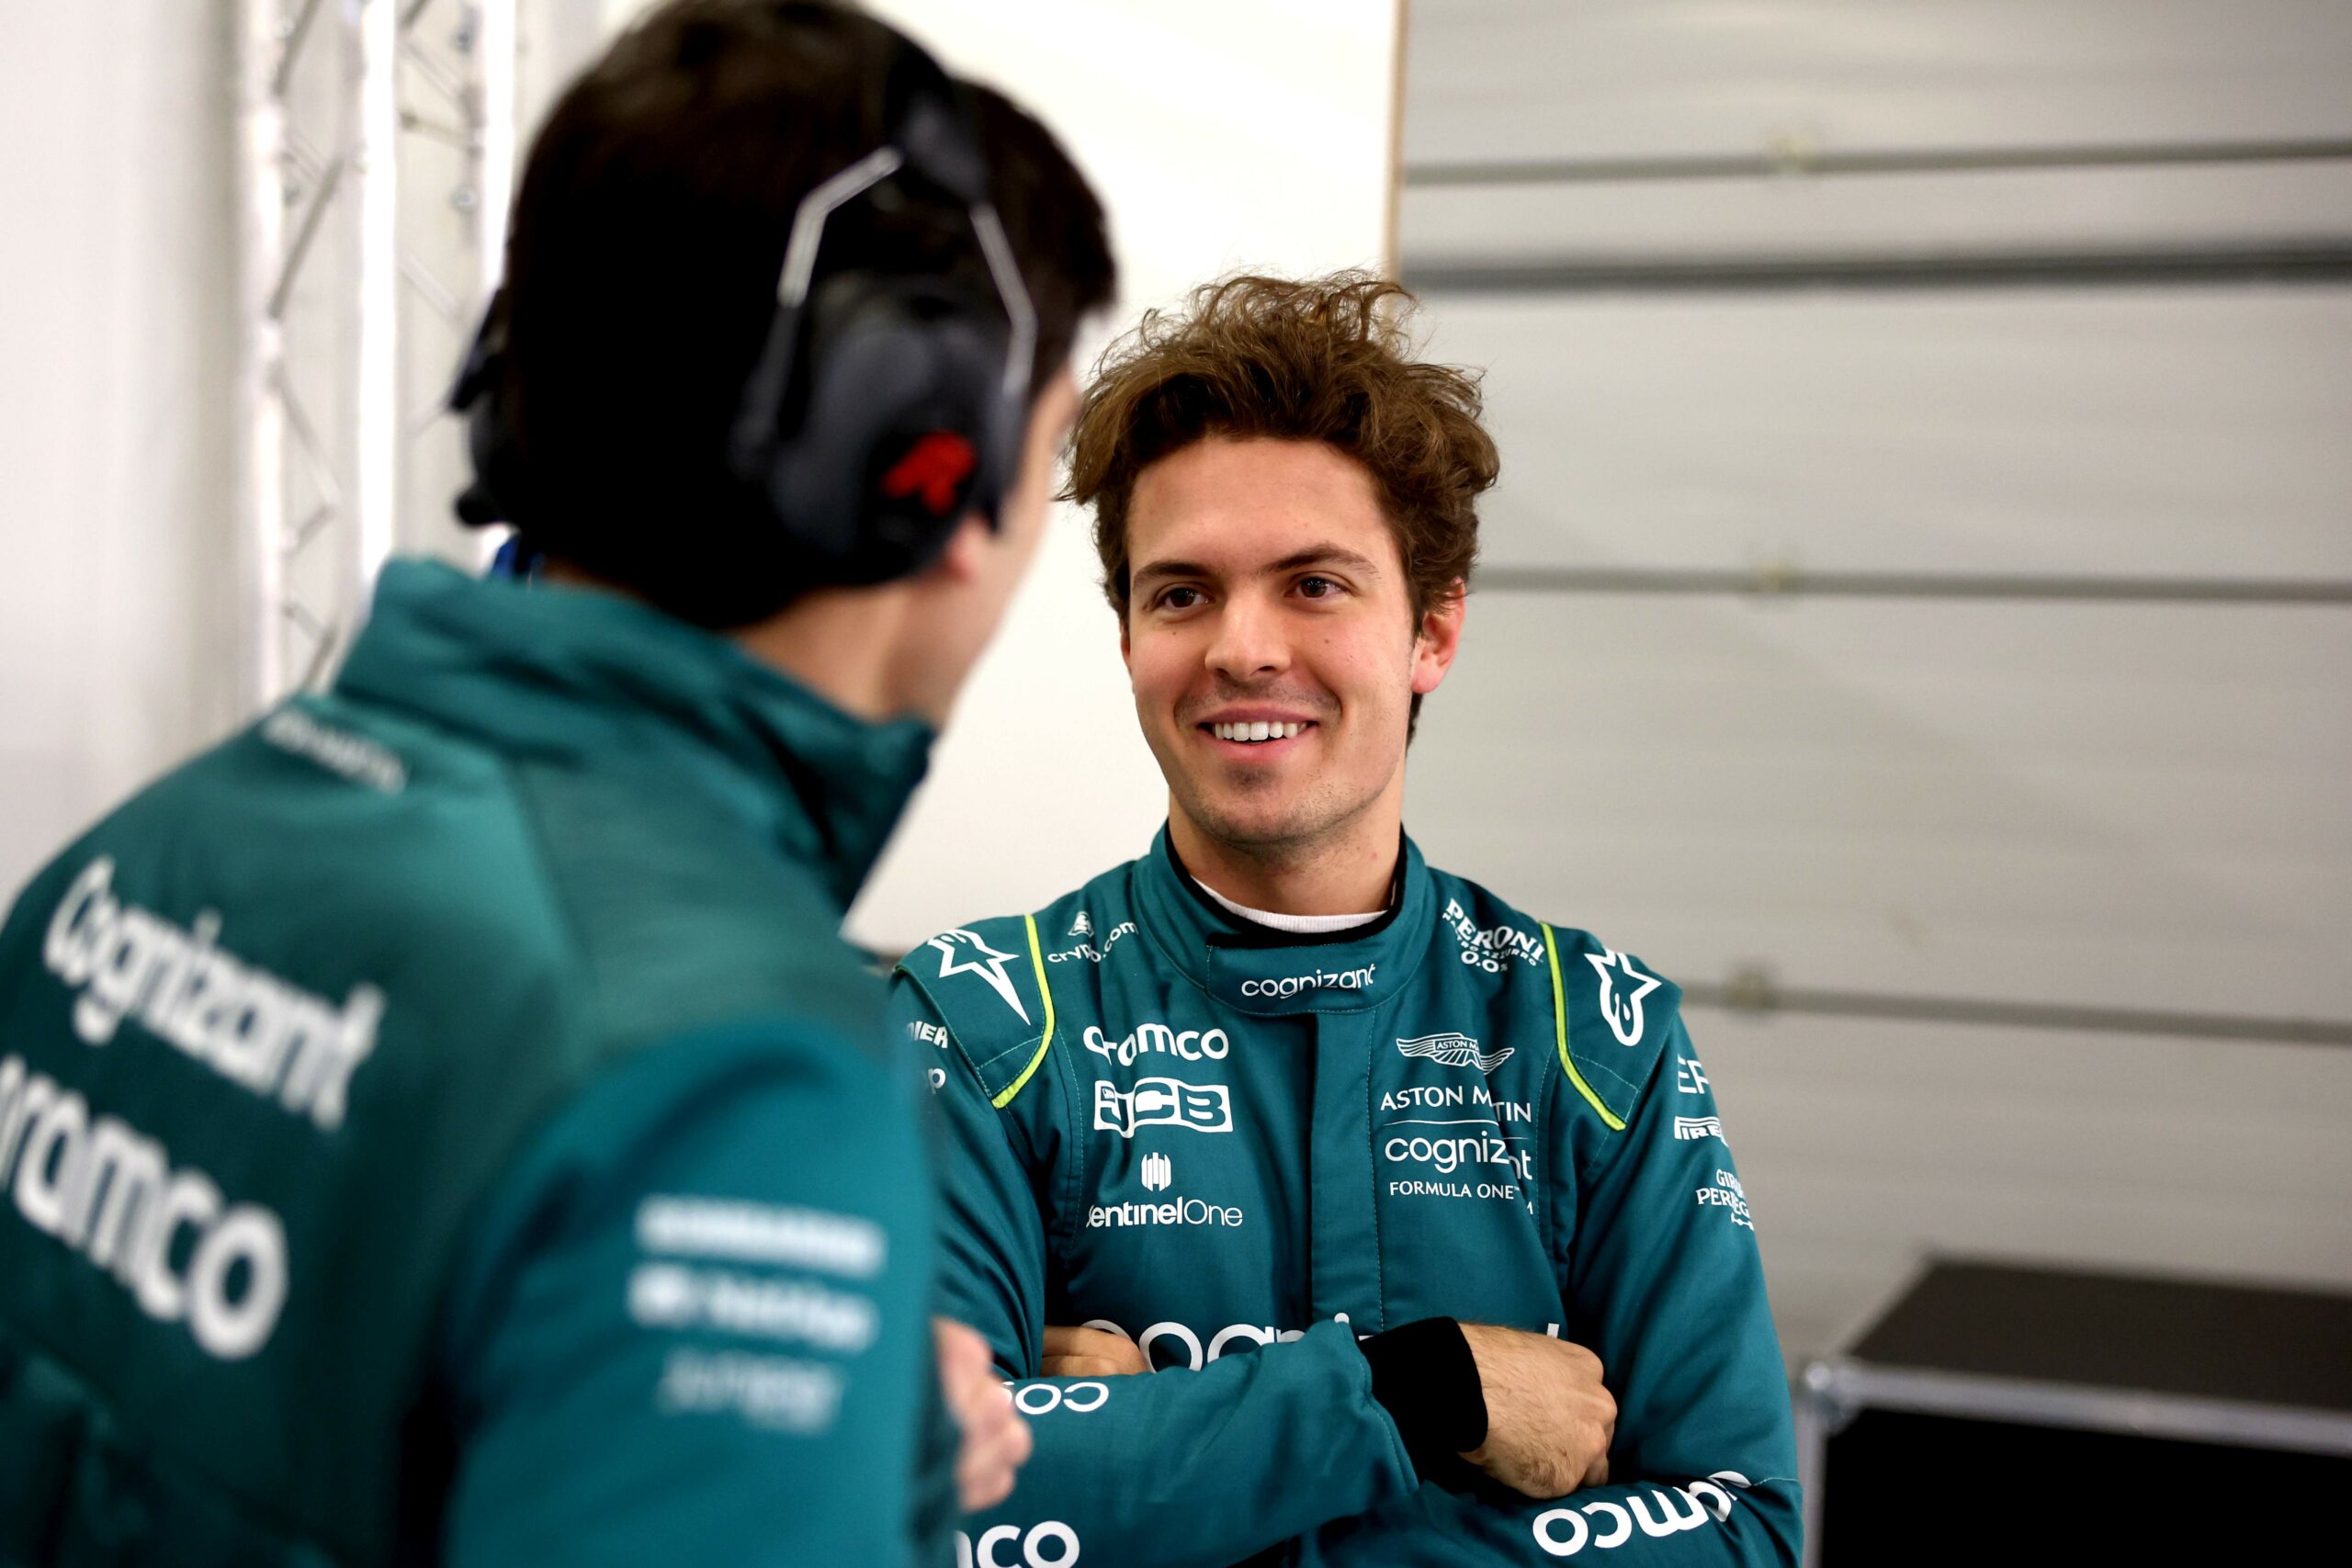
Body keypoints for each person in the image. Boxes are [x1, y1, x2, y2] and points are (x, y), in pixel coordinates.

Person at [0, 3, 1113, 1563]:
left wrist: (802, 1443)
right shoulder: (730, 1073)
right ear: (918, 471)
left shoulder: (145, 857)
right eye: (1041, 455)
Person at [891, 273, 1801, 1566]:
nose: (1242, 649)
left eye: (1314, 585)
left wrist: (1156, 1451)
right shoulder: (982, 1024)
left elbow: (1742, 1532)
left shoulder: (1595, 1038)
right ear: (1131, 635)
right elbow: (913, 1516)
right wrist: (1420, 1398)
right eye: (1182, 592)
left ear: (1432, 630)